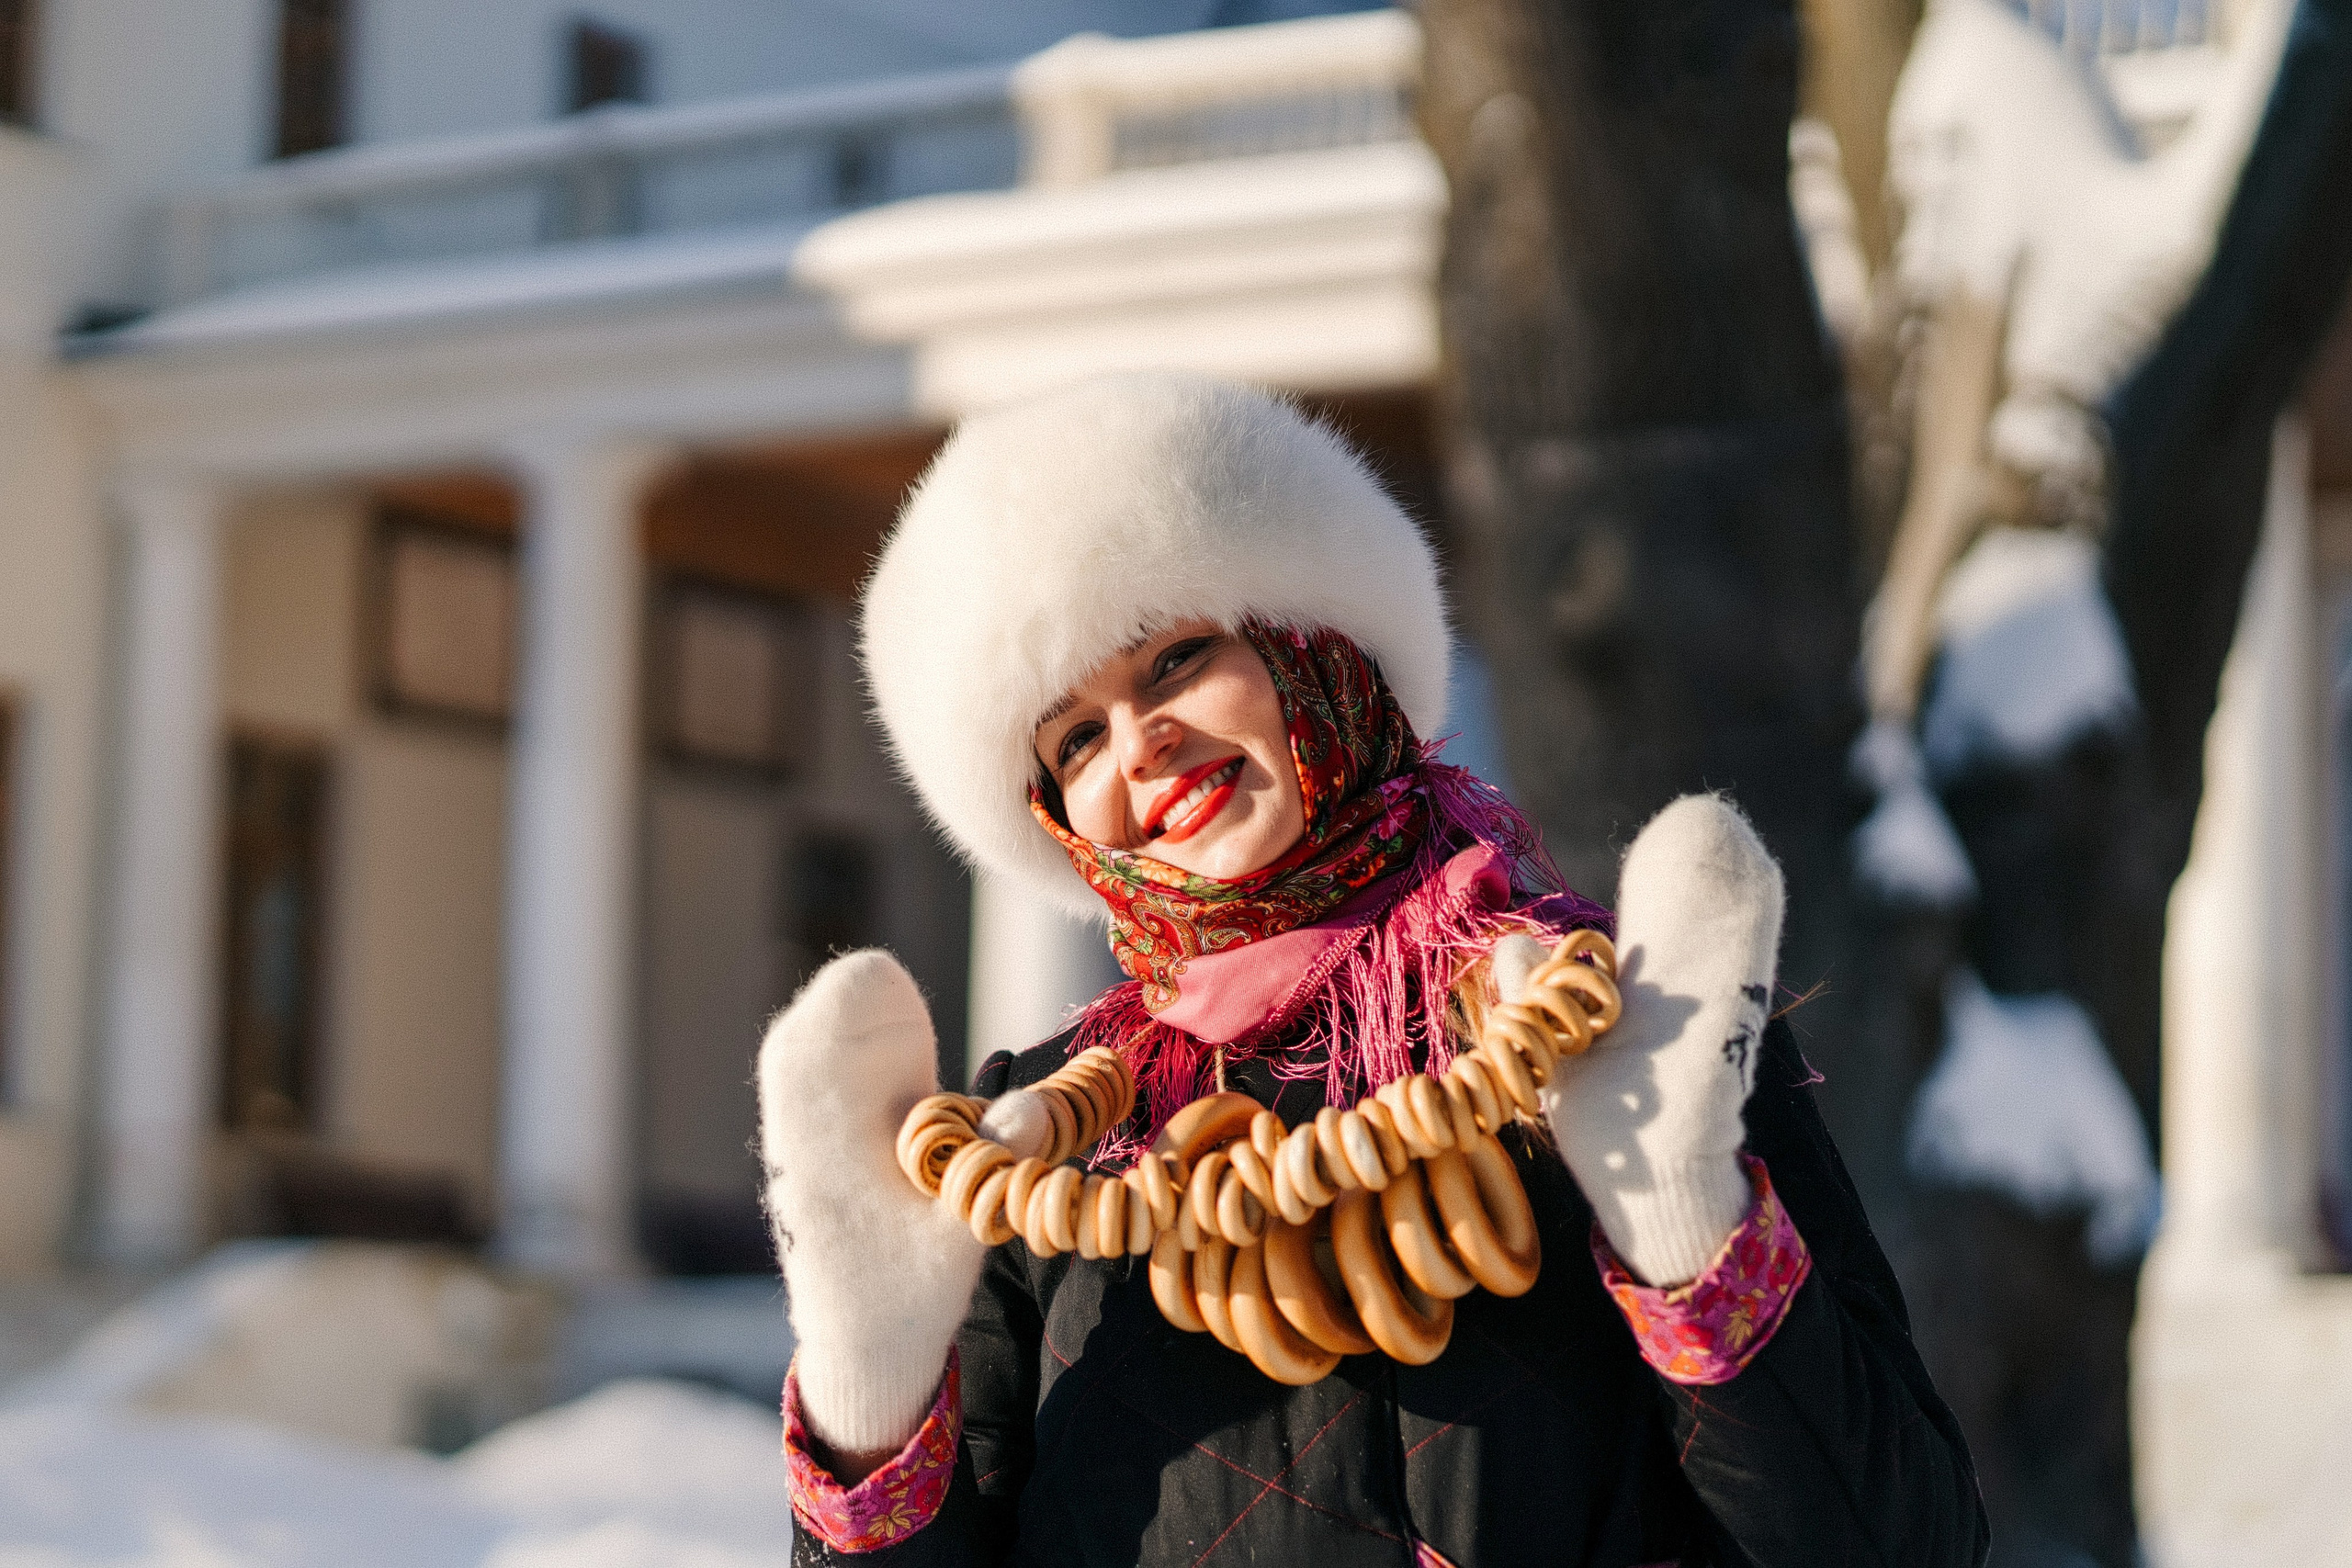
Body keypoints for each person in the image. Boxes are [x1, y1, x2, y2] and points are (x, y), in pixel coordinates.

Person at [757, 372, 1988, 1567]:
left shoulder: (1634, 1024)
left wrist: (1681, 1218)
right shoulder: (1036, 1161)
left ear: (1313, 644)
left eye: (1175, 658)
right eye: (1076, 736)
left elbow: (1906, 1542)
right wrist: (872, 1380)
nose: (1143, 742)